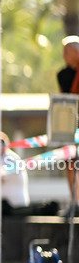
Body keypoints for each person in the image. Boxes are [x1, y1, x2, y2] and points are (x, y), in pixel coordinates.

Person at [56, 35, 79, 206]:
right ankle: (75, 200)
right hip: (71, 125)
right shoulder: (63, 75)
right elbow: (62, 99)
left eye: (68, 52)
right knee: (70, 161)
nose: (65, 56)